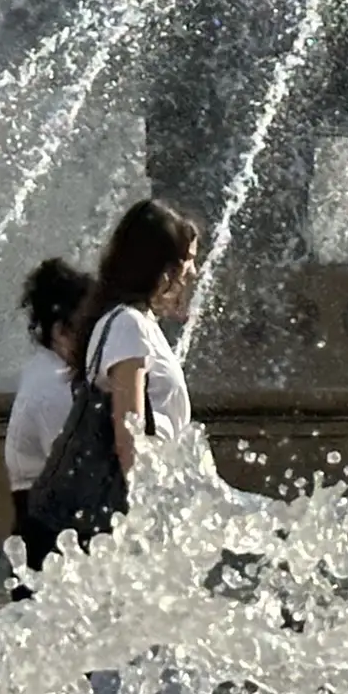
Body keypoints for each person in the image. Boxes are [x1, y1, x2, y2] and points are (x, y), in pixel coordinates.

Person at [73, 197, 200, 481]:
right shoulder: (128, 326)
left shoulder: (136, 322)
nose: (194, 271)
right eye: (188, 259)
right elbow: (129, 437)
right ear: (162, 266)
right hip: (144, 502)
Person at [2, 255, 90, 550]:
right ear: (61, 332)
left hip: (37, 531)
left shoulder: (42, 372)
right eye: (87, 329)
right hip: (49, 541)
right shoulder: (55, 385)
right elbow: (75, 471)